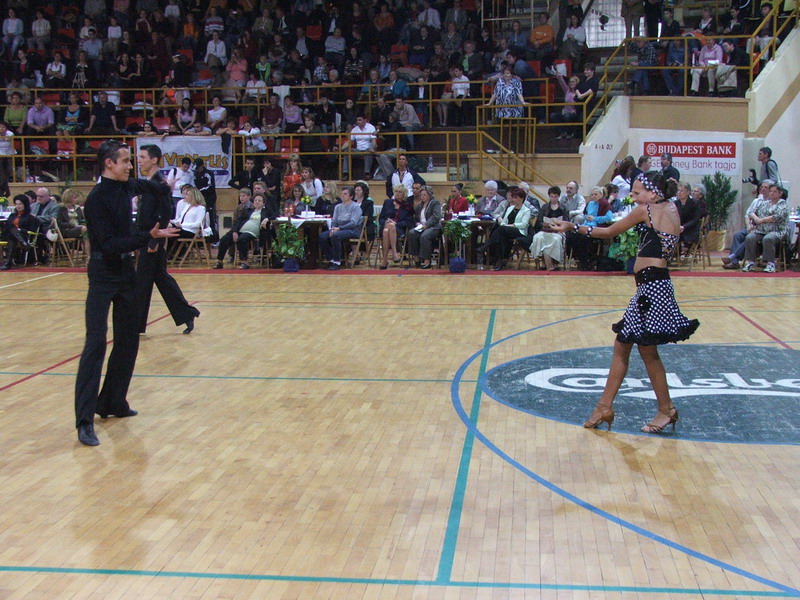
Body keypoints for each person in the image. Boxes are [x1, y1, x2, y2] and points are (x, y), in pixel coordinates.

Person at [551, 173, 699, 433]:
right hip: (656, 284)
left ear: (653, 193)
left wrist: (572, 227)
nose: (632, 196)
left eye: (637, 192)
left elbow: (609, 231)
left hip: (651, 288)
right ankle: (611, 406)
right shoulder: (671, 207)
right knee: (634, 348)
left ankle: (659, 409)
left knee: (638, 349)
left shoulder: (646, 210)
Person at [74, 141, 179, 446]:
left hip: (125, 273)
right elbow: (108, 244)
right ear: (109, 164)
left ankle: (113, 401)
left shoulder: (127, 185)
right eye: (125, 161)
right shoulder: (96, 199)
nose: (130, 165)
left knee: (128, 339)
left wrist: (166, 189)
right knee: (95, 343)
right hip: (102, 274)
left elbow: (153, 187)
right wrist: (147, 236)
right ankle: (84, 421)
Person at [135, 144, 200, 336]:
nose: (139, 160)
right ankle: (186, 313)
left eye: (143, 157)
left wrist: (154, 242)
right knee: (161, 280)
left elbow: (163, 214)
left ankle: (135, 325)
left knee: (143, 283)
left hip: (153, 240)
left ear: (154, 159)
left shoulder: (159, 183)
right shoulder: (151, 182)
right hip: (147, 239)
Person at [213, 194, 277, 269]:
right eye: (255, 200)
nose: (257, 202)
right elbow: (238, 222)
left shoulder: (266, 211)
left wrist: (266, 219)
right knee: (224, 239)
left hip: (252, 233)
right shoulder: (248, 211)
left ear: (263, 203)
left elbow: (275, 215)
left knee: (242, 239)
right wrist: (235, 231)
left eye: (259, 200)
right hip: (239, 231)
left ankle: (244, 262)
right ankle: (219, 261)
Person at [722, 180, 772, 270]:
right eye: (762, 187)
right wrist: (748, 226)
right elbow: (747, 215)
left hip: (762, 229)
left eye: (766, 187)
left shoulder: (772, 202)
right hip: (751, 226)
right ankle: (734, 261)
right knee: (738, 235)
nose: (763, 189)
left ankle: (733, 258)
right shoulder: (757, 200)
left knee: (749, 237)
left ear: (771, 190)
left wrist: (754, 225)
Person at [741, 184, 788, 273]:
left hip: (777, 231)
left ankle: (770, 263)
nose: (772, 193)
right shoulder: (764, 203)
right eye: (770, 191)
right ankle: (751, 262)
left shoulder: (782, 204)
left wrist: (762, 220)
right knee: (749, 237)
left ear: (780, 193)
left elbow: (777, 217)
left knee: (768, 239)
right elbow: (751, 212)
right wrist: (755, 218)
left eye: (774, 191)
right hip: (761, 230)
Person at [481, 187, 532, 271]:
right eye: (513, 197)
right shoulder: (510, 208)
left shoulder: (526, 210)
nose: (513, 200)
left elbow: (523, 225)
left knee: (502, 230)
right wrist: (504, 224)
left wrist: (510, 225)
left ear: (522, 198)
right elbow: (504, 221)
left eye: (516, 198)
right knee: (501, 237)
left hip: (519, 231)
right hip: (506, 230)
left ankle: (487, 245)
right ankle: (501, 261)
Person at [320, 185, 362, 270]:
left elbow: (353, 223)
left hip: (351, 230)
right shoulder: (338, 207)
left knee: (336, 236)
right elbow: (334, 220)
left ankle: (337, 261)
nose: (342, 195)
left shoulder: (355, 207)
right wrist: (333, 228)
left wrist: (339, 228)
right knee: (322, 236)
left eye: (345, 194)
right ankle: (331, 259)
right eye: (342, 194)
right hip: (338, 228)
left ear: (351, 196)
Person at [530, 186, 568, 271]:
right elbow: (539, 222)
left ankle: (554, 262)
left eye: (555, 197)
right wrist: (545, 224)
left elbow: (567, 222)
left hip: (558, 231)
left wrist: (558, 223)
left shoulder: (563, 208)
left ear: (558, 196)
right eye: (551, 196)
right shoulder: (544, 207)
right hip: (545, 229)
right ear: (549, 196)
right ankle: (545, 261)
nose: (553, 199)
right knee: (538, 237)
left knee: (555, 240)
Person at [379, 185, 414, 268]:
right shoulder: (387, 202)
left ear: (404, 194)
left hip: (398, 229)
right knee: (387, 228)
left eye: (400, 192)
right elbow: (381, 219)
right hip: (385, 226)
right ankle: (394, 253)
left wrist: (395, 223)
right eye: (396, 191)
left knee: (386, 231)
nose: (397, 194)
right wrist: (386, 221)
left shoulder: (407, 206)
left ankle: (384, 261)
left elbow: (408, 222)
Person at [406, 186, 442, 269]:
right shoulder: (419, 206)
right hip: (421, 226)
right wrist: (417, 223)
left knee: (424, 236)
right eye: (421, 195)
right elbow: (415, 218)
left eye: (424, 195)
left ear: (429, 195)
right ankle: (416, 258)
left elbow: (436, 216)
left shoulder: (435, 203)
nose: (422, 197)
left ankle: (427, 260)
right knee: (411, 233)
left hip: (433, 227)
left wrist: (426, 225)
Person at [1, 195, 37, 270]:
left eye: (20, 204)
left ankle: (8, 263)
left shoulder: (30, 217)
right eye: (16, 204)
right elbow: (7, 227)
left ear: (25, 205)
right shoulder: (12, 215)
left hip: (23, 235)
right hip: (8, 235)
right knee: (12, 229)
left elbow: (31, 230)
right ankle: (24, 243)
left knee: (12, 237)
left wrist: (20, 230)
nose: (18, 206)